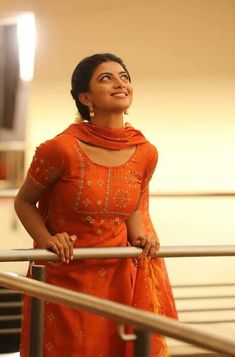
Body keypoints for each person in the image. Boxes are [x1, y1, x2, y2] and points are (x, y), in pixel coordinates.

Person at [14, 53, 177, 357]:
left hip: (117, 276)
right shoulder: (60, 149)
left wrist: (140, 235)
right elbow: (24, 201)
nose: (120, 83)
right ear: (85, 97)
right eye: (107, 78)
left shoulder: (146, 152)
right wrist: (48, 239)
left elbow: (134, 205)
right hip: (64, 276)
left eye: (124, 76)